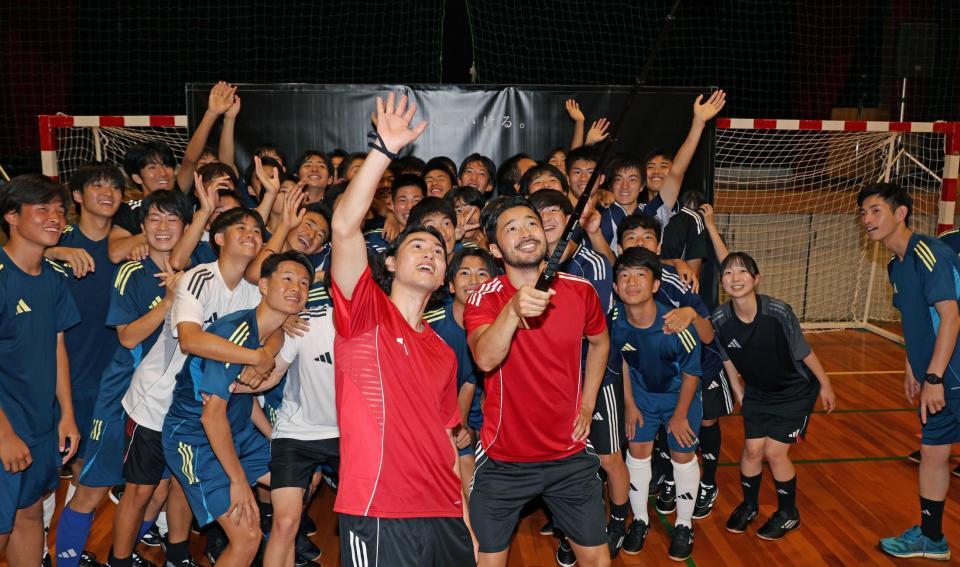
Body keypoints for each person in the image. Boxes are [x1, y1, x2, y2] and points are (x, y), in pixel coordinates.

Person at [330, 92, 474, 566]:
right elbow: (346, 227)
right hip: (378, 509)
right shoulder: (364, 311)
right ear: (390, 261)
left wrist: (467, 522)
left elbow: (450, 441)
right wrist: (384, 151)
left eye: (438, 252)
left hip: (445, 512)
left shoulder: (443, 351)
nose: (431, 254)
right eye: (417, 245)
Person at [110, 207, 277, 567]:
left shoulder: (252, 292)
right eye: (240, 227)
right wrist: (255, 357)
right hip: (156, 403)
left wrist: (267, 351)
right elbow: (190, 340)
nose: (250, 233)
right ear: (218, 238)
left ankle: (177, 555)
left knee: (183, 488)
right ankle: (119, 561)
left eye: (256, 230)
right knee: (141, 492)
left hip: (197, 409)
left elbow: (276, 327)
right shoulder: (198, 278)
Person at [465, 196, 611, 567]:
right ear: (496, 249)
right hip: (503, 460)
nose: (525, 232)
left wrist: (589, 400)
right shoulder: (484, 297)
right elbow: (484, 358)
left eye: (531, 223)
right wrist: (514, 309)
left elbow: (600, 341)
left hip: (569, 455)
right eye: (510, 228)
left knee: (598, 561)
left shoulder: (580, 291)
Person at [54, 190, 193, 567]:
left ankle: (123, 555)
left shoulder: (197, 268)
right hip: (123, 397)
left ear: (186, 226)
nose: (162, 228)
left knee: (158, 488)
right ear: (142, 226)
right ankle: (66, 560)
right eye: (153, 220)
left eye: (171, 220)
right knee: (94, 486)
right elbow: (128, 336)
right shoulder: (133, 271)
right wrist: (168, 301)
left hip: (171, 399)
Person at [162, 251, 312, 566]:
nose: (296, 288)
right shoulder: (234, 333)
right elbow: (211, 416)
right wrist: (239, 481)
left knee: (301, 477)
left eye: (303, 283)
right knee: (247, 538)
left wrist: (275, 438)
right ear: (264, 286)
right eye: (287, 279)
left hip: (238, 433)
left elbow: (240, 400)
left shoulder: (272, 331)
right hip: (195, 440)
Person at [858, 183, 959, 561]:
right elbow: (914, 318)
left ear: (900, 213)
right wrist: (912, 367)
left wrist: (934, 377)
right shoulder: (895, 265)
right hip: (935, 375)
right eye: (864, 213)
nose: (867, 219)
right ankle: (932, 539)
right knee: (933, 453)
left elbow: (950, 317)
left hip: (955, 375)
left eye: (875, 211)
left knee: (935, 451)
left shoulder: (928, 253)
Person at [712, 252, 836, 541]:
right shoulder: (720, 318)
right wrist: (737, 388)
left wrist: (826, 383)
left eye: (743, 272)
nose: (735, 278)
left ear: (757, 279)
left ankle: (788, 513)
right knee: (752, 450)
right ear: (722, 282)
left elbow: (802, 350)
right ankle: (750, 505)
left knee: (774, 452)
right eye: (728, 273)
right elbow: (726, 357)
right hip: (758, 392)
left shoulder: (778, 312)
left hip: (795, 392)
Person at [0, 175, 81, 566]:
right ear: (11, 216)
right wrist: (4, 434)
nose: (55, 217)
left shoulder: (53, 280)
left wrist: (66, 414)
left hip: (41, 426)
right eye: (43, 209)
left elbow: (57, 346)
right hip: (5, 427)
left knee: (31, 512)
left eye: (60, 210)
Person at [609, 247, 702, 562]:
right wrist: (630, 405)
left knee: (682, 454)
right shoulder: (617, 322)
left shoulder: (675, 323)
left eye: (640, 275)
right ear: (615, 286)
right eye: (624, 275)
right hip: (642, 397)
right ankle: (641, 521)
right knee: (637, 453)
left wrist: (679, 415)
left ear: (655, 285)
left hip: (681, 396)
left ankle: (684, 525)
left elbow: (692, 372)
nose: (631, 282)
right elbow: (622, 362)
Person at [424, 248, 499, 498]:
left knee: (470, 491)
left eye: (482, 274)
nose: (474, 281)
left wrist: (461, 430)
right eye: (465, 273)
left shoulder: (499, 326)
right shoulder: (430, 322)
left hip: (462, 414)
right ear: (451, 286)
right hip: (424, 415)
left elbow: (467, 386)